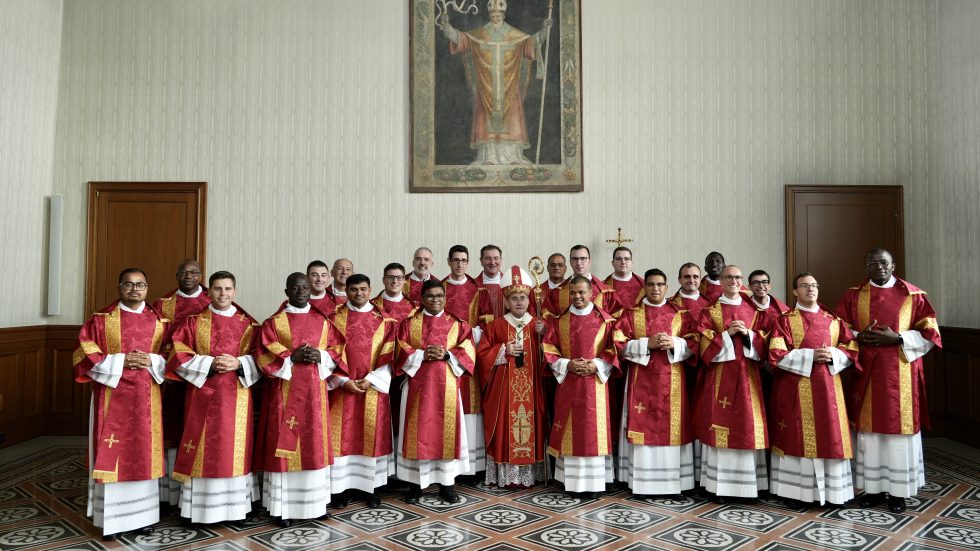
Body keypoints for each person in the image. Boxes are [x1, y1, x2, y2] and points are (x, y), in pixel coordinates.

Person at [835, 248, 942, 513]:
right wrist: (859, 336)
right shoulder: (853, 295)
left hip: (900, 375)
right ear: (866, 267)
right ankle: (872, 489)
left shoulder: (913, 295)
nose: (879, 267)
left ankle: (898, 492)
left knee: (898, 435)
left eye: (884, 262)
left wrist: (898, 339)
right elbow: (838, 327)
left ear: (893, 266)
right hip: (866, 374)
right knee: (869, 434)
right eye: (873, 263)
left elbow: (931, 332)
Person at [74, 268, 168, 539]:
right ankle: (113, 519)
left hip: (147, 398)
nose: (135, 290)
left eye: (140, 285)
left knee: (143, 452)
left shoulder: (160, 321)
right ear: (120, 287)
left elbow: (173, 353)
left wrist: (152, 360)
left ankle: (144, 517)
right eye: (129, 284)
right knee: (114, 452)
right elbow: (84, 352)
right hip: (110, 396)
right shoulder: (101, 320)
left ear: (147, 288)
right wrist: (122, 361)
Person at [167, 271, 261, 524]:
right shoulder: (194, 322)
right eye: (218, 289)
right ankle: (199, 510)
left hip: (236, 396)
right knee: (202, 449)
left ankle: (236, 509)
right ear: (209, 291)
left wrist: (239, 362)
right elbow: (178, 353)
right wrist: (209, 363)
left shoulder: (248, 324)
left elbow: (262, 356)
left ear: (235, 291)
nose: (223, 294)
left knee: (233, 449)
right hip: (202, 395)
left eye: (228, 289)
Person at [254, 273, 345, 526]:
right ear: (287, 291)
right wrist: (289, 357)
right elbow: (263, 354)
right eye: (296, 288)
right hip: (284, 393)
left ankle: (315, 505)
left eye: (305, 287)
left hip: (314, 395)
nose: (302, 291)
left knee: (313, 445)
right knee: (285, 447)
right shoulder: (274, 322)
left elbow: (337, 350)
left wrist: (321, 356)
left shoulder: (322, 321)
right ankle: (282, 509)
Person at [768, 272, 858, 508]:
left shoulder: (833, 319)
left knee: (830, 433)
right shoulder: (785, 320)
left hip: (828, 388)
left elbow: (851, 348)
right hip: (795, 388)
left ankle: (833, 493)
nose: (811, 289)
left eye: (815, 285)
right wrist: (809, 356)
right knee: (797, 435)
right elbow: (776, 354)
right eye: (805, 285)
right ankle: (798, 494)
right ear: (795, 291)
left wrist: (834, 355)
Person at [614, 269, 699, 497]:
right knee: (643, 424)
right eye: (651, 284)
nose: (655, 288)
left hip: (673, 381)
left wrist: (675, 343)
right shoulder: (631, 314)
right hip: (641, 380)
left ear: (667, 287)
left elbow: (696, 342)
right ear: (645, 287)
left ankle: (673, 484)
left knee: (671, 427)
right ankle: (642, 483)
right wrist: (645, 345)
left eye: (660, 284)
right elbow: (618, 343)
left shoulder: (680, 314)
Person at [441, 1, 552, 165]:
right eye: (493, 16)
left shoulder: (515, 36)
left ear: (503, 16)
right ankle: (489, 157)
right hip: (487, 86)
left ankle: (513, 156)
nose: (495, 18)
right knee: (486, 118)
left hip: (510, 86)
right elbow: (461, 38)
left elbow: (532, 43)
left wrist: (544, 30)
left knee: (512, 117)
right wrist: (446, 25)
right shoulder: (480, 35)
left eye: (498, 16)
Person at [395, 280, 477, 504]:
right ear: (422, 299)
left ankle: (447, 485)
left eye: (439, 295)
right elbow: (399, 348)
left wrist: (447, 355)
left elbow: (468, 348)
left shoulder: (456, 324)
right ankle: (415, 485)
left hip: (447, 387)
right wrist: (422, 355)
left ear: (445, 297)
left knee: (445, 433)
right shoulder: (409, 323)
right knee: (417, 432)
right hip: (417, 388)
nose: (435, 299)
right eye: (430, 296)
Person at [694, 265, 769, 503]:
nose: (734, 281)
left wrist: (748, 335)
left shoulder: (754, 310)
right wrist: (726, 335)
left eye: (737, 277)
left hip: (748, 377)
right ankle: (719, 486)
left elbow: (768, 341)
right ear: (721, 281)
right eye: (729, 277)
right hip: (719, 376)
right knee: (720, 427)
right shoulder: (710, 311)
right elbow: (702, 344)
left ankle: (748, 488)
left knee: (746, 426)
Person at [542, 276, 620, 498]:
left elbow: (613, 348)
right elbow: (548, 349)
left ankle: (595, 483)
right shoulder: (559, 321)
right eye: (573, 293)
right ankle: (573, 483)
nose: (577, 296)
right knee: (571, 429)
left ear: (591, 294)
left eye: (582, 293)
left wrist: (596, 365)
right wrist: (568, 364)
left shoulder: (605, 321)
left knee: (592, 431)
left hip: (595, 384)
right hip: (569, 383)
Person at [327, 274, 398, 510]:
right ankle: (340, 490)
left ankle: (372, 489)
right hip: (341, 389)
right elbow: (327, 354)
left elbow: (390, 356)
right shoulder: (332, 319)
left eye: (364, 289)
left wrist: (371, 380)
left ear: (370, 290)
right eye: (354, 289)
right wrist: (341, 380)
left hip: (373, 388)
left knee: (370, 435)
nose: (359, 293)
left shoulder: (384, 321)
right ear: (346, 290)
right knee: (341, 438)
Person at [476, 266, 549, 488]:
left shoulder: (537, 326)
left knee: (532, 424)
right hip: (504, 391)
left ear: (529, 301)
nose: (519, 303)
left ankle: (530, 473)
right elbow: (481, 355)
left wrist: (544, 335)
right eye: (514, 299)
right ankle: (508, 475)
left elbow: (553, 352)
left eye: (523, 298)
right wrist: (502, 350)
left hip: (532, 387)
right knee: (508, 426)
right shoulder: (497, 325)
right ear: (506, 302)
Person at [152, 259, 211, 508]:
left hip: (205, 379)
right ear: (176, 275)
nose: (189, 276)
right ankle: (170, 492)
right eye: (184, 272)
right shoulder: (162, 305)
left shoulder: (214, 301)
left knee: (202, 433)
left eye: (194, 272)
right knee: (172, 431)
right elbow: (154, 340)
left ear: (201, 276)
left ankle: (197, 489)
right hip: (171, 380)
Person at [441, 245, 486, 478]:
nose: (459, 264)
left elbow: (486, 320)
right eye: (455, 260)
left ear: (468, 263)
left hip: (470, 351)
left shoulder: (477, 289)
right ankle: (451, 465)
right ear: (449, 261)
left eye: (463, 260)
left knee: (472, 406)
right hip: (444, 355)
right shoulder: (440, 288)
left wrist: (470, 335)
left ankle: (474, 465)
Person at [542, 245, 620, 319]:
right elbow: (548, 319)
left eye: (583, 258)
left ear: (589, 261)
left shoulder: (606, 293)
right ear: (570, 262)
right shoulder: (557, 293)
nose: (579, 263)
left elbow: (616, 321)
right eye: (575, 259)